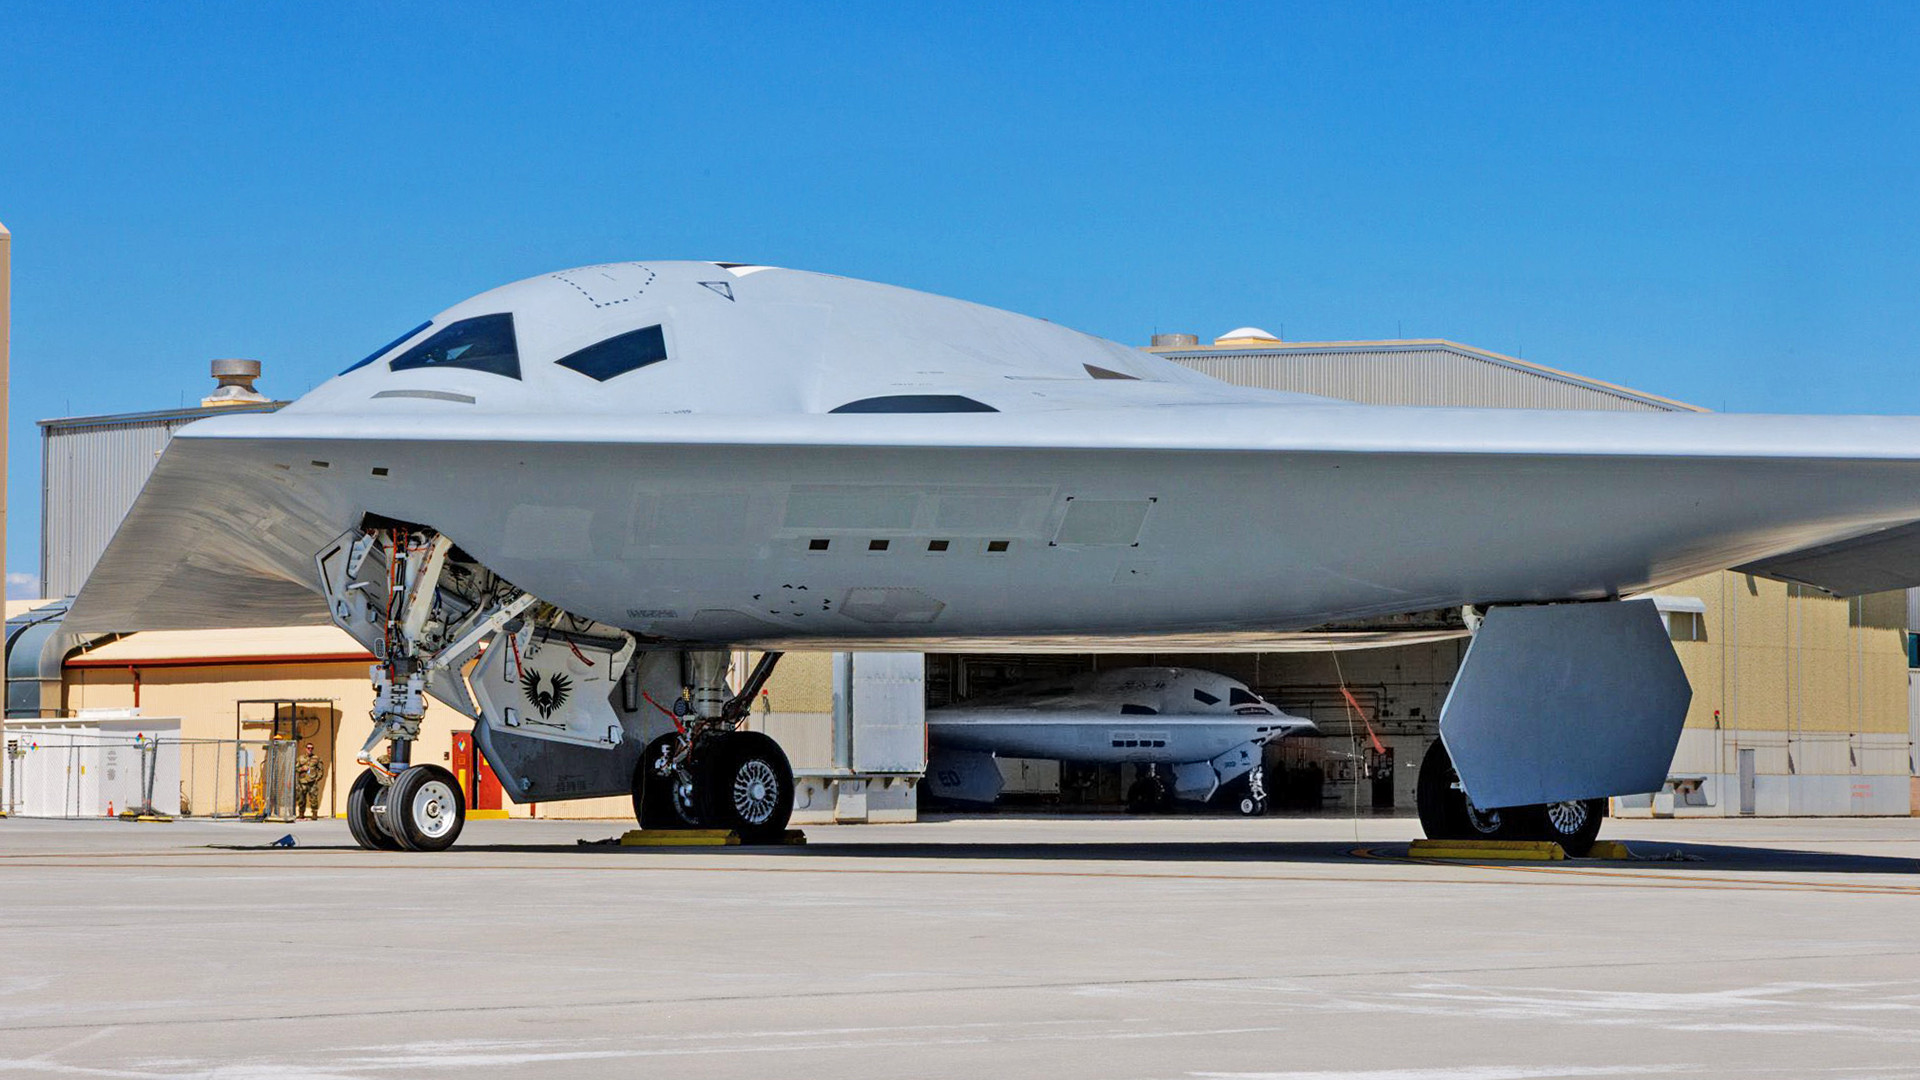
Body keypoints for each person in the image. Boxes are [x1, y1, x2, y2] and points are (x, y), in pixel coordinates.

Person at [294, 742, 326, 820]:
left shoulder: (316, 758)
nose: (310, 749)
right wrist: (302, 769)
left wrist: (317, 778)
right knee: (301, 799)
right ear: (306, 749)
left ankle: (314, 814)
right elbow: (295, 768)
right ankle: (301, 814)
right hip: (303, 782)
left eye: (311, 748)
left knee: (314, 799)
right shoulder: (301, 758)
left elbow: (321, 769)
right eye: (308, 748)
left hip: (312, 782)